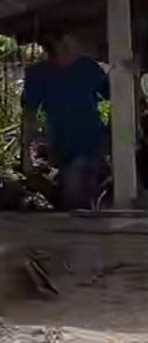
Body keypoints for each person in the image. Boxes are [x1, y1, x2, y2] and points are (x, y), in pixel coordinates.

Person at [22, 32, 110, 211]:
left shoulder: (87, 67)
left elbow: (115, 92)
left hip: (92, 142)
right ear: (60, 43)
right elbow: (29, 115)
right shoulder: (39, 73)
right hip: (64, 146)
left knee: (82, 192)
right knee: (74, 200)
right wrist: (25, 155)